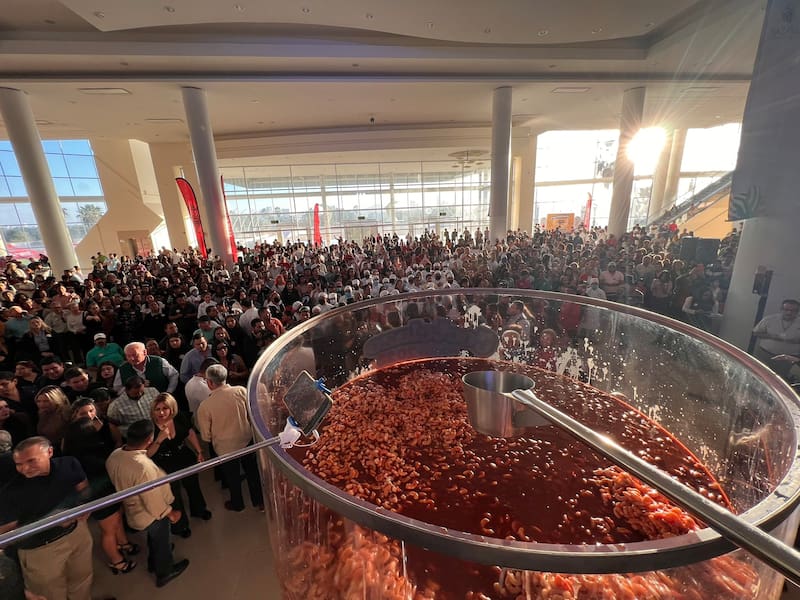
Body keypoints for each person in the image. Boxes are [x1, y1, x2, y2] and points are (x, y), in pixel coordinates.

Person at [0, 436, 93, 600]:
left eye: (31, 461)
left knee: (82, 580)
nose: (25, 469)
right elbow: (5, 535)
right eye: (19, 464)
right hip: (40, 551)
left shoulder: (69, 464)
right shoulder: (10, 493)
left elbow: (84, 490)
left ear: (49, 452)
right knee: (49, 594)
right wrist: (52, 520)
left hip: (78, 533)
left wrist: (84, 507)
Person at [106, 419, 190, 588]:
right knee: (161, 541)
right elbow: (153, 501)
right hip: (150, 515)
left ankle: (154, 562)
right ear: (149, 440)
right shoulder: (143, 468)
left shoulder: (115, 456)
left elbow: (142, 455)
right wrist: (170, 513)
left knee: (155, 540)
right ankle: (165, 572)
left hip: (131, 511)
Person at [62, 398, 136, 576]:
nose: (89, 417)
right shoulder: (85, 457)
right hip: (98, 493)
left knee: (117, 518)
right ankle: (117, 561)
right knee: (108, 530)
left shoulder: (83, 444)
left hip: (107, 488)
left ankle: (124, 543)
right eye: (82, 414)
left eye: (90, 411)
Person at [196, 364, 263, 512]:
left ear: (209, 382)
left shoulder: (205, 406)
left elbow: (205, 436)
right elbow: (252, 414)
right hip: (246, 440)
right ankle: (259, 501)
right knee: (253, 472)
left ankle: (237, 503)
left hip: (225, 448)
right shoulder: (241, 391)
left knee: (232, 476)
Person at [147, 393, 210, 538]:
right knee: (173, 495)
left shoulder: (180, 417)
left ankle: (200, 510)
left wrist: (199, 451)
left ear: (172, 409)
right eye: (158, 409)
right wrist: (159, 440)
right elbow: (148, 454)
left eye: (165, 408)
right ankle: (181, 525)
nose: (161, 412)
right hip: (164, 463)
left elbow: (190, 433)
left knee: (193, 485)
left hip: (184, 456)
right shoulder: (149, 427)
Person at [753, 299, 800, 380]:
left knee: (779, 380)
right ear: (781, 309)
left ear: (798, 311)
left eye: (793, 311)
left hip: (787, 359)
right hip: (765, 354)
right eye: (786, 310)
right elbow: (755, 333)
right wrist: (772, 336)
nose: (789, 313)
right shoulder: (769, 319)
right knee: (758, 376)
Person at [113, 341, 178, 395]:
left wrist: (168, 392)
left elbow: (174, 375)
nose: (131, 359)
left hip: (161, 400)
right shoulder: (122, 369)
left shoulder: (159, 362)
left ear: (145, 352)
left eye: (134, 355)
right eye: (128, 356)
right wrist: (133, 387)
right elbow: (117, 389)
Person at [34, 385, 72, 451]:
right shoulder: (43, 412)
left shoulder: (65, 415)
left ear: (56, 400)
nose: (41, 404)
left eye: (46, 401)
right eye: (39, 401)